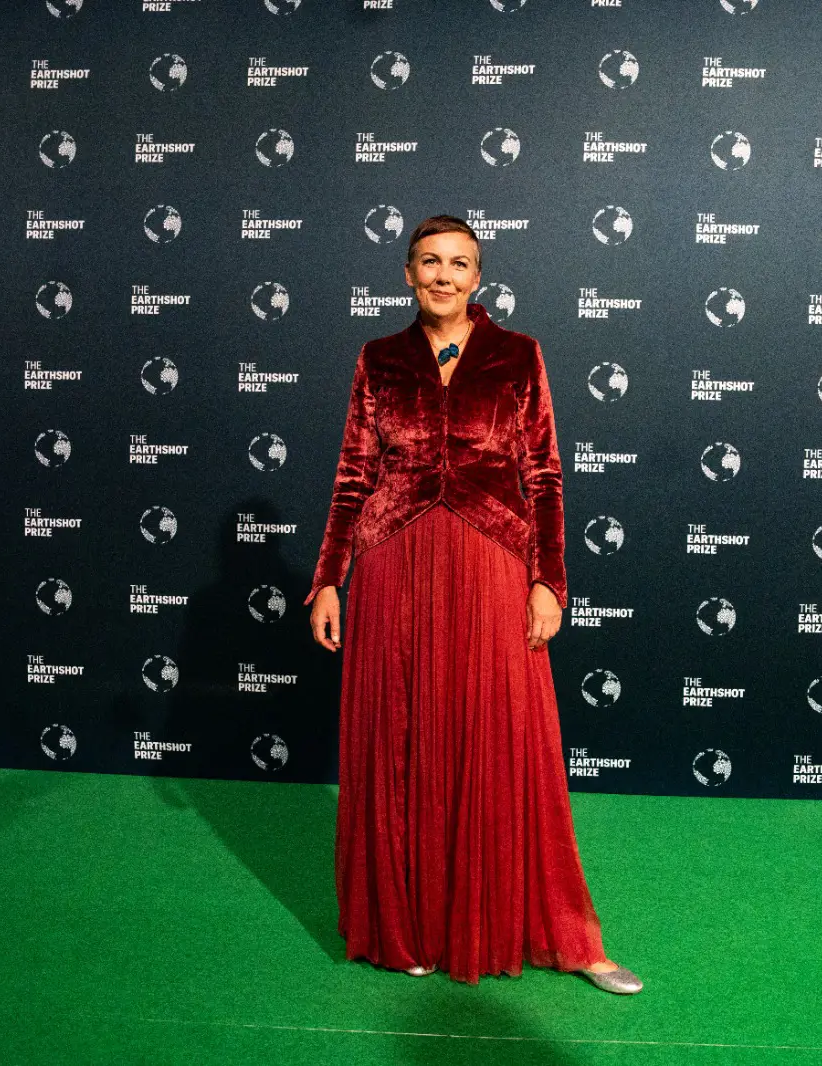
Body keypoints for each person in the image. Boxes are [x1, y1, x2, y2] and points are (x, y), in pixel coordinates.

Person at [305, 215, 642, 993]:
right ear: (407, 273)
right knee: (403, 736)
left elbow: (547, 477)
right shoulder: (379, 360)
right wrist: (329, 576)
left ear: (478, 278)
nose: (444, 276)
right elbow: (354, 474)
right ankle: (407, 929)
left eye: (459, 264)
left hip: (493, 561)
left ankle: (568, 937)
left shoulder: (517, 355)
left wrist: (549, 581)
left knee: (501, 736)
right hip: (392, 561)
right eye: (430, 262)